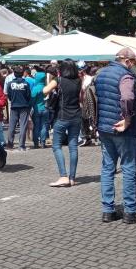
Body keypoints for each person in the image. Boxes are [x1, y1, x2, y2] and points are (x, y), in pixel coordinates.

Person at [95, 47, 136, 224]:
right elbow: (127, 98)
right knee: (129, 168)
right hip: (122, 129)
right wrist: (127, 119)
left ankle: (108, 211)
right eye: (135, 63)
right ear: (127, 62)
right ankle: (130, 211)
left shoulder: (101, 74)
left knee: (107, 168)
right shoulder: (125, 76)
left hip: (104, 127)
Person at [43, 59, 82, 187]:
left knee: (56, 146)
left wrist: (52, 80)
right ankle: (72, 178)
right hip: (76, 115)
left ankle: (63, 176)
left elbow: (45, 91)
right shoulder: (78, 81)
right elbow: (80, 98)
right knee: (73, 147)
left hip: (63, 116)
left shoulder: (58, 80)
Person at [6, 66, 31, 151]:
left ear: (14, 74)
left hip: (14, 106)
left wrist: (12, 99)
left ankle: (10, 144)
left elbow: (8, 95)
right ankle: (21, 145)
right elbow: (28, 96)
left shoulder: (10, 84)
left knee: (12, 126)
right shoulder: (26, 84)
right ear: (22, 74)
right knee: (23, 126)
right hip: (24, 106)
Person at [30, 68, 48, 149]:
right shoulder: (47, 87)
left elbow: (32, 100)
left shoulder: (35, 88)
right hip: (46, 109)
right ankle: (43, 142)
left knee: (36, 126)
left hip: (37, 109)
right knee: (44, 126)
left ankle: (36, 143)